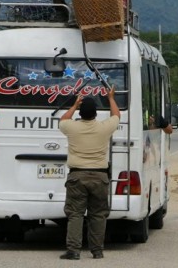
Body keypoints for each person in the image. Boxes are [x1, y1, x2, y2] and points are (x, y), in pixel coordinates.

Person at [58, 86, 120, 260]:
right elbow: (116, 116)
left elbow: (63, 119)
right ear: (95, 114)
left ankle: (73, 251)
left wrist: (74, 105)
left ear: (81, 113)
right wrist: (111, 98)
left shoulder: (72, 128)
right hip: (100, 176)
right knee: (98, 214)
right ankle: (97, 251)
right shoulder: (104, 128)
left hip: (77, 176)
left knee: (76, 214)